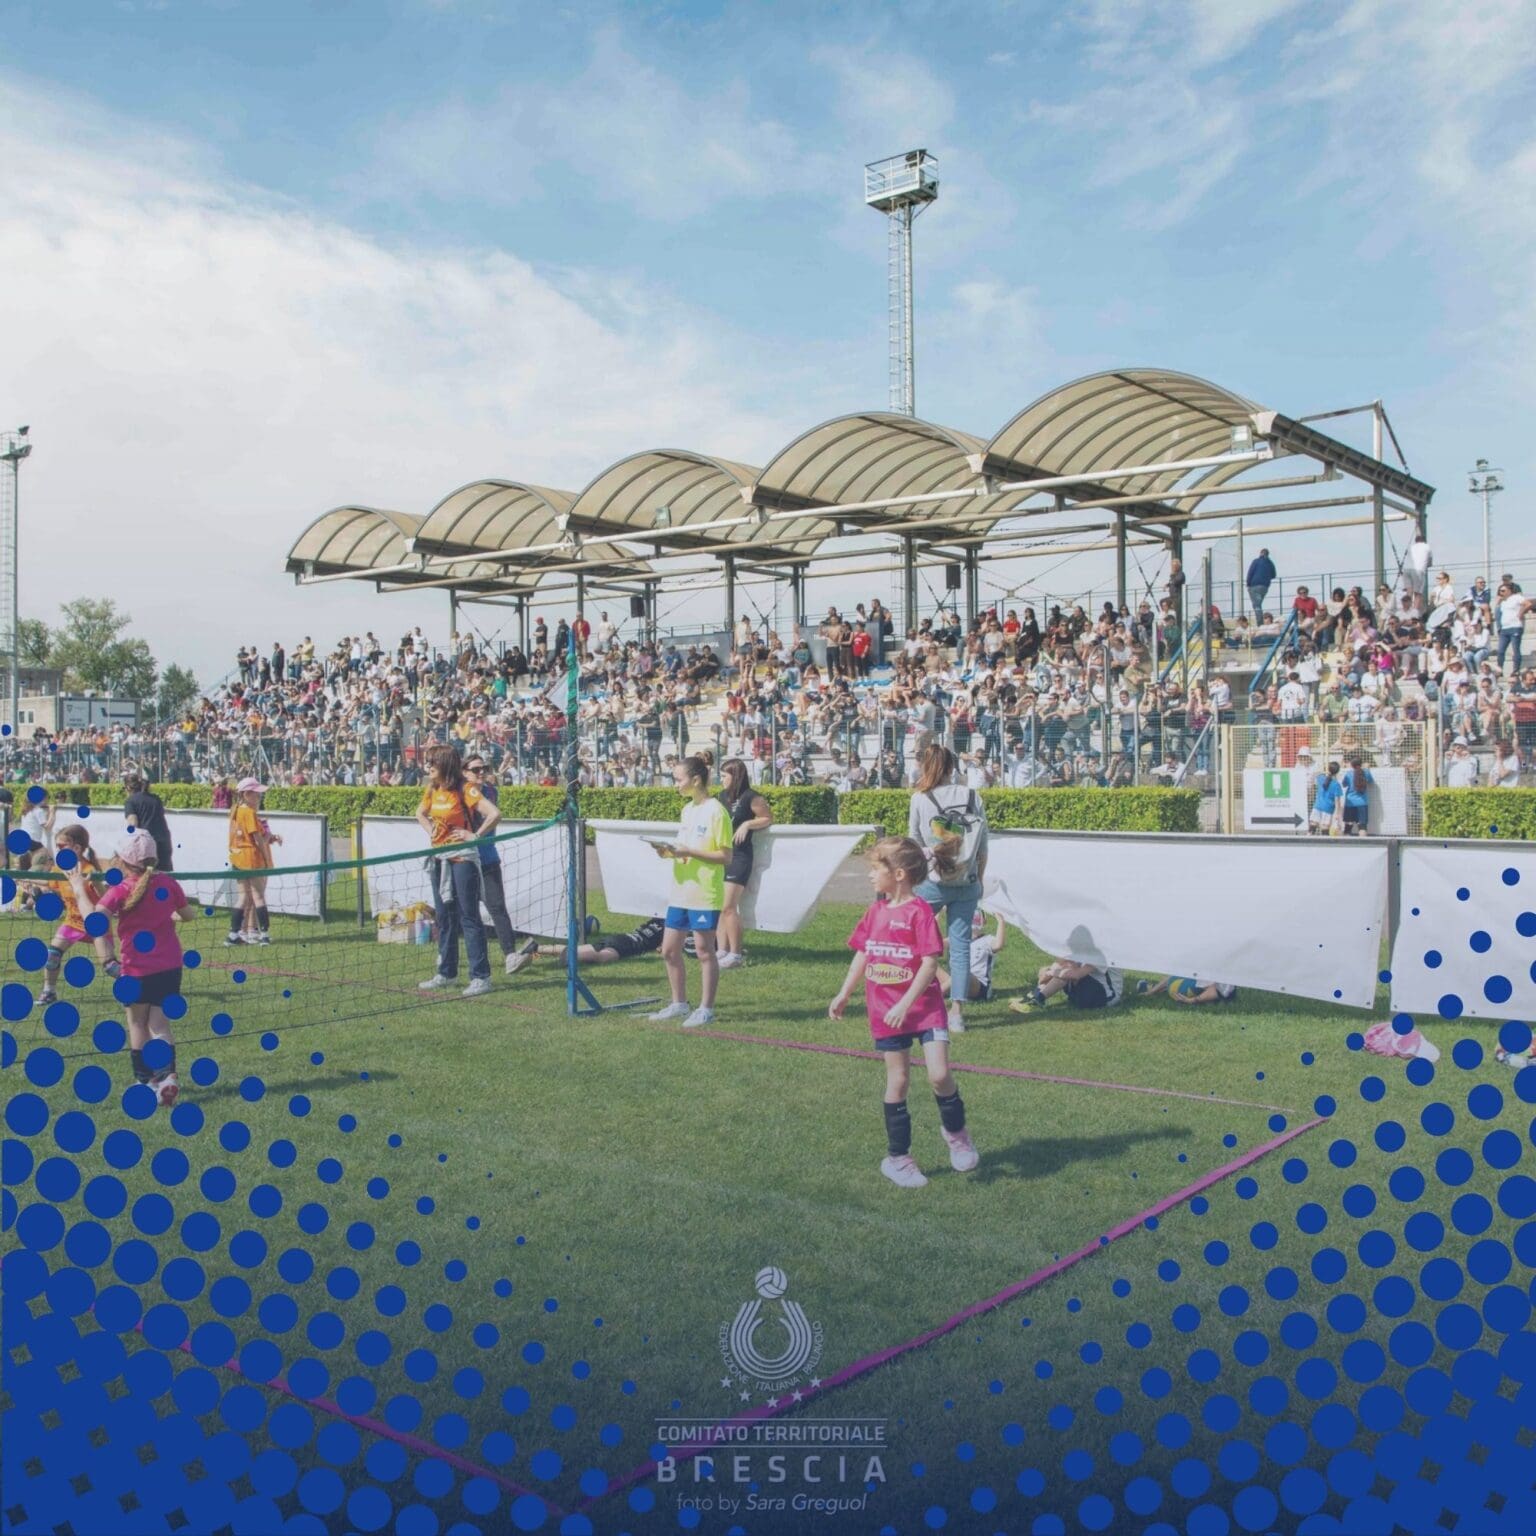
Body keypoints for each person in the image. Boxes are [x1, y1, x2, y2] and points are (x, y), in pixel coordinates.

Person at [828, 835, 978, 1188]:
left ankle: (957, 1135)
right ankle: (898, 1159)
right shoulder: (875, 912)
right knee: (898, 1081)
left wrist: (905, 1003)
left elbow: (930, 964)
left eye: (875, 868)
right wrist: (844, 992)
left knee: (939, 1075)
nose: (870, 875)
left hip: (924, 1010)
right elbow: (862, 953)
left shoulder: (919, 912)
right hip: (884, 1012)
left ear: (898, 874)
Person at [67, 828, 188, 1105]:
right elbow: (188, 914)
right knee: (160, 1025)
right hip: (171, 967)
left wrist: (78, 889)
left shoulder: (121, 890)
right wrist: (168, 914)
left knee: (137, 1024)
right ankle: (167, 1076)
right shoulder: (168, 884)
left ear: (122, 861)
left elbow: (94, 922)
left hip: (136, 971)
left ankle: (146, 1081)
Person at [907, 743, 988, 1035]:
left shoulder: (920, 798)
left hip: (933, 879)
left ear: (925, 766)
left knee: (911, 938)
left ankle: (914, 995)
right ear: (952, 768)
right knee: (961, 946)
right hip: (967, 880)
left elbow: (914, 840)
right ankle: (957, 1013)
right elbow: (982, 845)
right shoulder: (972, 796)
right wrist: (978, 878)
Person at [647, 755, 733, 1028]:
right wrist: (668, 852)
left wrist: (689, 852)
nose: (675, 784)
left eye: (678, 779)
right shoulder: (687, 810)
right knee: (669, 950)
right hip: (681, 892)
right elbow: (684, 850)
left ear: (695, 780)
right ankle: (679, 1003)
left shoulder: (717, 812)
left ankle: (706, 1009)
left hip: (704, 893)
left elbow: (725, 856)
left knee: (704, 951)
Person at [415, 744, 501, 998]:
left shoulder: (465, 789)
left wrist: (474, 835)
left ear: (445, 764)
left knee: (469, 916)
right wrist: (432, 831)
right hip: (439, 858)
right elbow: (420, 813)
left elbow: (494, 814)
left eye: (432, 762)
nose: (428, 766)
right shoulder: (433, 788)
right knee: (444, 916)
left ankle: (481, 977)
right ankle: (446, 972)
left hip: (463, 859)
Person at [36, 822, 121, 1006]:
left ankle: (137, 987)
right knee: (52, 955)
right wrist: (21, 878)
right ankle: (49, 992)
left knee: (110, 967)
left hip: (96, 924)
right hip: (72, 922)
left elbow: (106, 898)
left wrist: (96, 884)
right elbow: (47, 882)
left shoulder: (89, 871)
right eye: (57, 846)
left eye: (61, 846)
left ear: (77, 848)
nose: (58, 850)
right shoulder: (59, 869)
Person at [464, 755, 528, 975]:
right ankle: (450, 958)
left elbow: (489, 818)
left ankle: (510, 955)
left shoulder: (490, 792)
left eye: (484, 768)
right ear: (464, 772)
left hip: (487, 858)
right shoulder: (459, 794)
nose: (481, 772)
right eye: (476, 769)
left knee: (497, 907)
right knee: (461, 912)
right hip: (464, 861)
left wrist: (475, 835)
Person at [716, 757, 773, 970]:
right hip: (722, 854)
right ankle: (721, 950)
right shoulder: (721, 796)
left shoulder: (752, 797)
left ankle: (736, 954)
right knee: (720, 907)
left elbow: (767, 818)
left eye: (724, 776)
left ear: (736, 776)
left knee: (729, 907)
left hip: (740, 857)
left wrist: (748, 823)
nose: (721, 779)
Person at [226, 777, 281, 946]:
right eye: (257, 794)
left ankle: (233, 935)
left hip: (237, 858)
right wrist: (266, 856)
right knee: (258, 897)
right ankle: (263, 935)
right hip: (251, 859)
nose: (259, 797)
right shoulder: (249, 812)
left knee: (242, 897)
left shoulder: (235, 810)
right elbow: (257, 839)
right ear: (246, 794)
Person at [517, 915, 665, 970]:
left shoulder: (657, 919)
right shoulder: (670, 929)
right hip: (627, 946)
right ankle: (568, 957)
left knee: (591, 951)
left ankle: (538, 948)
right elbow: (664, 949)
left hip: (621, 938)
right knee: (601, 957)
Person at [936, 911, 1007, 1004]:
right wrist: (935, 921)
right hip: (955, 980)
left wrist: (1001, 922)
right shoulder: (959, 938)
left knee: (962, 970)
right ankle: (938, 991)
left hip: (979, 986)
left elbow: (998, 945)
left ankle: (935, 995)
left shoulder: (987, 940)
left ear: (984, 921)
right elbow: (937, 946)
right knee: (929, 964)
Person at [1009, 956, 1125, 1012]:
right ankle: (1032, 998)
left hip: (1106, 997)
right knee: (1063, 968)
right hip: (1085, 993)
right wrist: (1050, 971)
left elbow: (1076, 975)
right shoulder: (1077, 947)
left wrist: (1053, 972)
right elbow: (1042, 979)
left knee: (1066, 971)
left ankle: (1036, 999)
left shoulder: (1101, 951)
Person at [124, 773, 174, 871]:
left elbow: (133, 824)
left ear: (128, 787)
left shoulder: (131, 801)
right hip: (164, 841)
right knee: (164, 876)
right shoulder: (156, 798)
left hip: (147, 845)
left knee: (146, 876)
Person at [1137, 975, 1238, 1004]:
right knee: (1176, 977)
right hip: (1197, 982)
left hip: (1196, 989)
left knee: (1176, 981)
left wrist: (1190, 1001)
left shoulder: (1225, 981)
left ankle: (1154, 989)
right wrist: (1150, 993)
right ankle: (1153, 989)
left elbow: (1216, 991)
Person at [1340, 755, 1375, 836]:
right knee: (1362, 826)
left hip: (1350, 803)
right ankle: (1363, 842)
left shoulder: (1348, 774)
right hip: (1362, 803)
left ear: (1351, 764)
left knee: (1348, 826)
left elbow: (1344, 784)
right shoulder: (1366, 772)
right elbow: (1371, 782)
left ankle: (1346, 842)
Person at [1308, 757, 1343, 835]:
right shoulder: (1336, 784)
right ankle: (1325, 842)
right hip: (1328, 808)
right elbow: (1337, 801)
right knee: (1325, 828)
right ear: (1337, 772)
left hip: (1317, 805)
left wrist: (1324, 771)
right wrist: (1337, 813)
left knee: (1313, 825)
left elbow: (1315, 774)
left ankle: (1308, 838)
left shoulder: (1321, 778)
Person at [1246, 548, 1276, 622]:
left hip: (1254, 586)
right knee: (1258, 605)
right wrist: (1266, 577)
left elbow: (1250, 572)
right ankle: (1261, 621)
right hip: (1265, 587)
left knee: (1257, 605)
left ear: (1260, 553)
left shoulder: (1256, 561)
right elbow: (1274, 575)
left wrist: (1248, 583)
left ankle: (1260, 623)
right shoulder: (1270, 563)